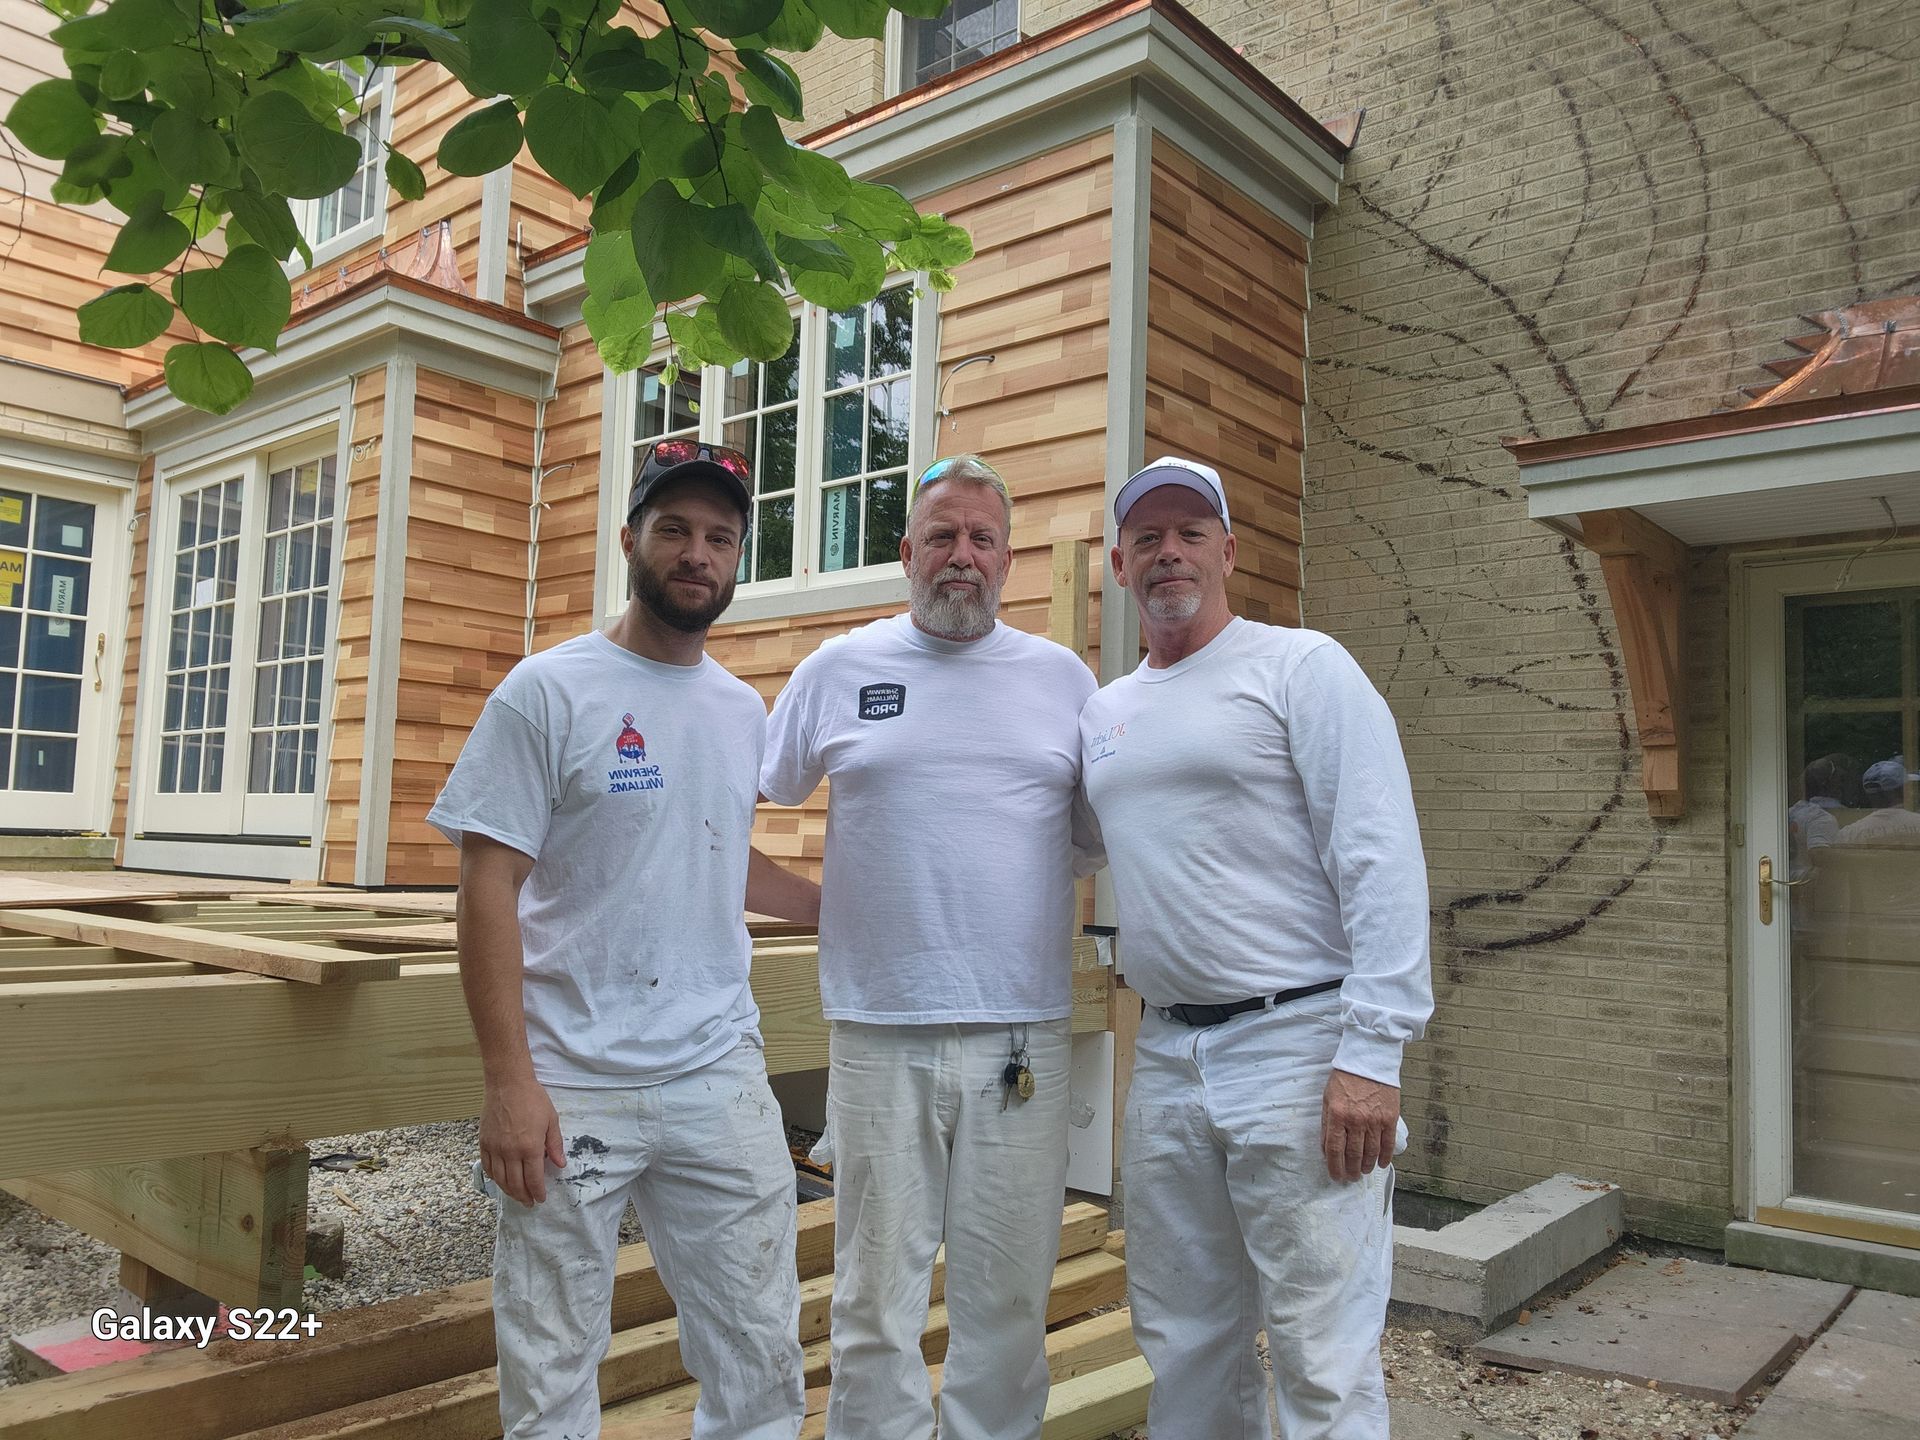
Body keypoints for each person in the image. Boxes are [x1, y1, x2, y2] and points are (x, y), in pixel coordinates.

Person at [427, 440, 818, 1440]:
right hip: (571, 1081)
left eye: (720, 538)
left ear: (737, 561)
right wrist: (509, 1082)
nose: (697, 553)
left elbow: (717, 857)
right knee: (554, 1362)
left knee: (759, 1349)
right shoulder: (549, 694)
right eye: (675, 530)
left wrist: (840, 905)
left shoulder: (739, 710)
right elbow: (487, 888)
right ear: (629, 540)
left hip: (713, 1072)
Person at [1077, 456, 1434, 1440]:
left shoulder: (1301, 668)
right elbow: (1049, 842)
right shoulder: (1103, 716)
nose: (1169, 552)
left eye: (1192, 532)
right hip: (1165, 1057)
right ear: (1117, 564)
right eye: (1148, 538)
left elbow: (1381, 861)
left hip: (1299, 1049)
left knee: (1323, 1352)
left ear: (1230, 551)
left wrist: (1373, 1054)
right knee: (1185, 1336)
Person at [759, 455, 1098, 1440]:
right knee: (874, 1302)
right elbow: (732, 794)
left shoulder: (1061, 681)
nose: (962, 556)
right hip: (877, 1035)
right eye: (942, 537)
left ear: (1008, 560)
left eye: (982, 539)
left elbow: (1098, 835)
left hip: (1018, 1043)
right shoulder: (839, 669)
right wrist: (823, 904)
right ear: (906, 553)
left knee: (1003, 1303)